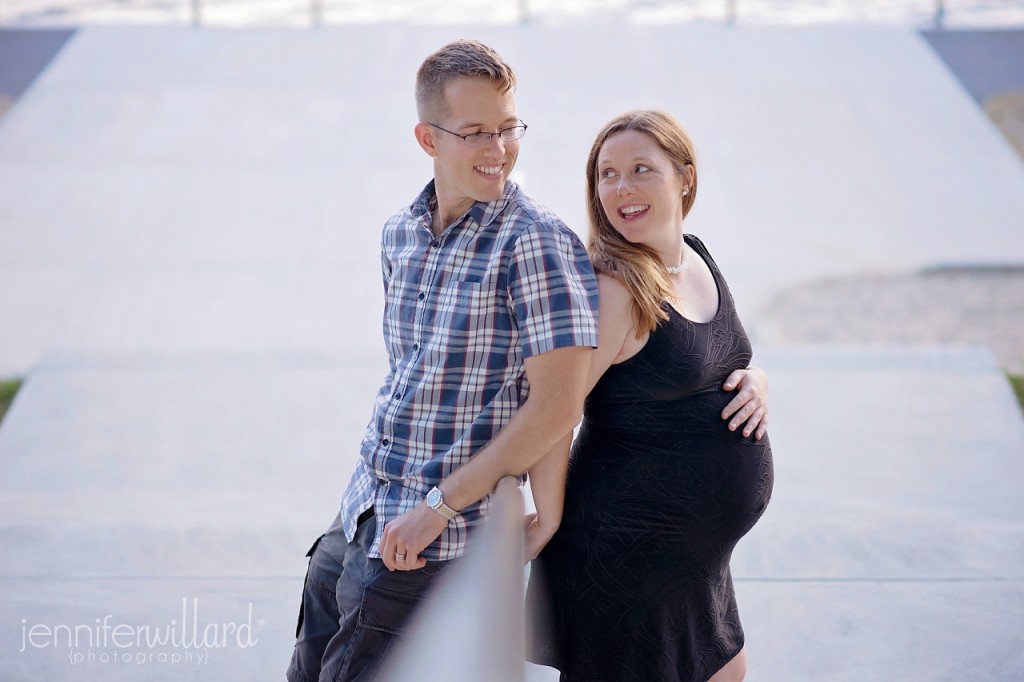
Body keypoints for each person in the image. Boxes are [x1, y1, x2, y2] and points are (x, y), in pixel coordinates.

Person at [284, 39, 603, 682]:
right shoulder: (399, 233)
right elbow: (409, 375)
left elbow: (557, 407)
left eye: (509, 128)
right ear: (428, 139)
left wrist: (441, 506)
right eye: (476, 132)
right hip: (362, 507)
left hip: (438, 533)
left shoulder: (536, 243)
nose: (499, 150)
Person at [526, 109, 774, 682]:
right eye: (606, 174)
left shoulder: (694, 255)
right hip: (625, 558)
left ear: (684, 176)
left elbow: (720, 358)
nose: (621, 188)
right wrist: (547, 517)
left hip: (692, 564)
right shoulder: (616, 288)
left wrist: (759, 382)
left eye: (641, 169)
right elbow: (554, 410)